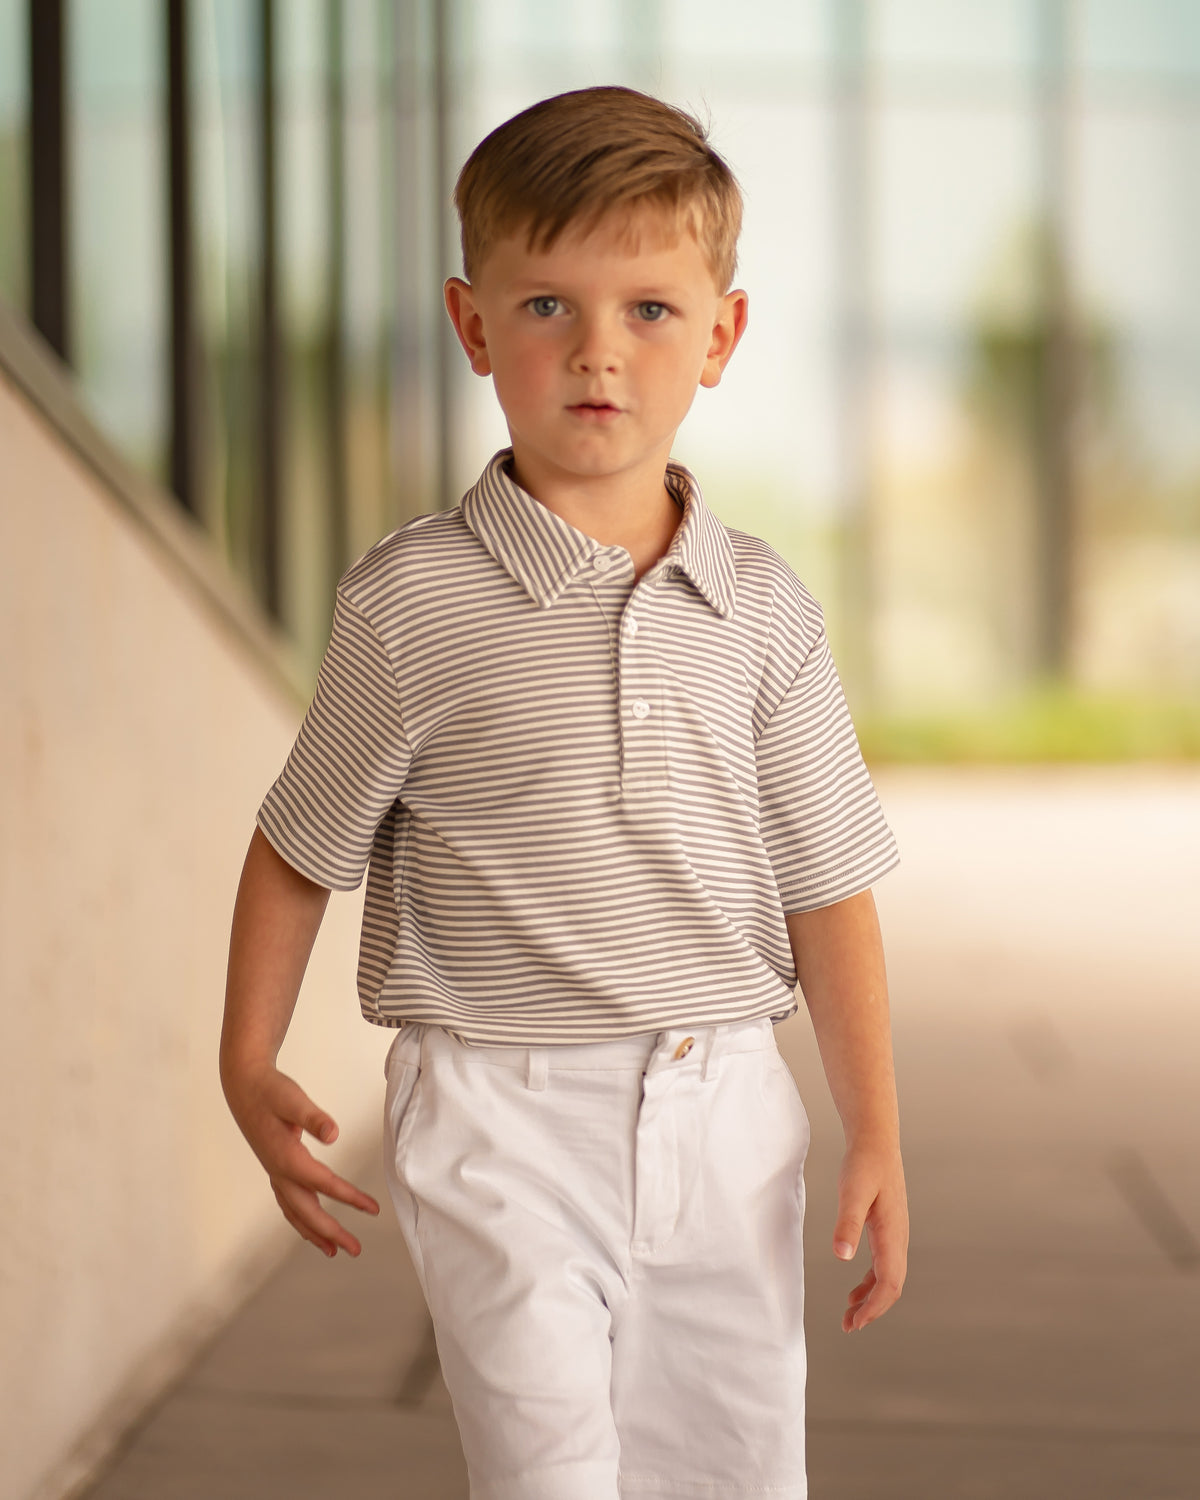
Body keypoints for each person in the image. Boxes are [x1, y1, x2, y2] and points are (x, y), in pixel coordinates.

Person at [221, 85, 908, 1500]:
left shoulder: (766, 609)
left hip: (726, 1113)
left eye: (649, 310)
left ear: (720, 334)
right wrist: (246, 1054)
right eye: (548, 308)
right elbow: (300, 849)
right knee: (549, 1478)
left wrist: (876, 1129)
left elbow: (828, 882)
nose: (598, 351)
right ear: (475, 326)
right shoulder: (412, 602)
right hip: (498, 1117)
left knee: (730, 1475)